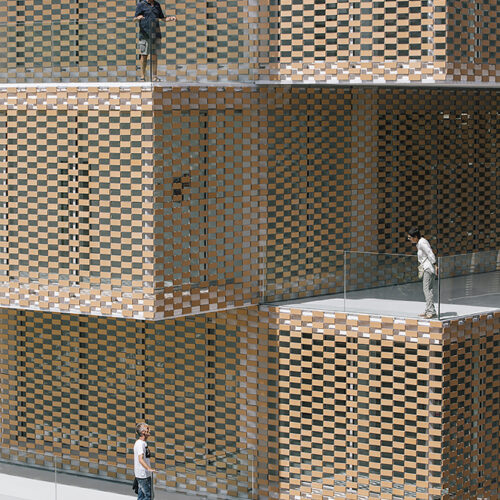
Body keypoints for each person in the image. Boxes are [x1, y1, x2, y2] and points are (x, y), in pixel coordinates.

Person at [134, 0, 176, 81]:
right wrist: (138, 18)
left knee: (154, 56)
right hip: (144, 34)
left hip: (155, 34)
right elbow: (134, 19)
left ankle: (154, 77)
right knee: (144, 55)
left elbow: (162, 18)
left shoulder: (157, 5)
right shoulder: (141, 5)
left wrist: (170, 18)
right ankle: (142, 77)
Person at [407, 227, 438, 318]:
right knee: (429, 290)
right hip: (427, 268)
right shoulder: (419, 243)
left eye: (410, 238)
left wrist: (435, 264)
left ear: (415, 237)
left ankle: (430, 312)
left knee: (426, 290)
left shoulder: (422, 243)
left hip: (428, 268)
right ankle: (430, 310)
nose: (409, 240)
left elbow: (430, 253)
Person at [134, 422, 156, 500]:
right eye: (147, 429)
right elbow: (140, 459)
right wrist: (148, 468)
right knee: (148, 496)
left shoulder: (143, 443)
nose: (149, 430)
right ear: (143, 432)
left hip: (144, 475)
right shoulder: (140, 444)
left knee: (142, 496)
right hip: (143, 475)